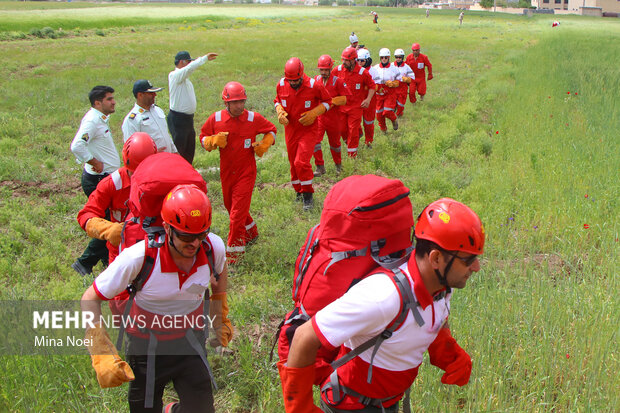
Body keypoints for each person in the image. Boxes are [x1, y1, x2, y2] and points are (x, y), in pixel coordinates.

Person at [278, 198, 485, 412]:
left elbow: (428, 318)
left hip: (387, 403)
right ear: (436, 259)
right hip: (351, 405)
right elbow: (304, 336)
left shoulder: (441, 287)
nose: (477, 267)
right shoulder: (383, 297)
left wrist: (447, 351)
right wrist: (299, 408)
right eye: (468, 260)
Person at [81, 184, 230, 413]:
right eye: (186, 236)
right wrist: (100, 349)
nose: (194, 244)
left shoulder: (212, 247)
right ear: (167, 229)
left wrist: (220, 317)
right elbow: (90, 297)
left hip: (190, 342)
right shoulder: (139, 257)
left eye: (201, 235)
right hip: (147, 347)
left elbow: (219, 276)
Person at [199, 82, 277, 264]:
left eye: (241, 101)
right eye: (235, 102)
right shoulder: (216, 119)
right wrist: (211, 141)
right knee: (230, 206)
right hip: (227, 173)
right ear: (226, 103)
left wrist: (265, 143)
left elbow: (272, 130)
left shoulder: (252, 119)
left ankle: (234, 256)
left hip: (246, 172)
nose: (239, 105)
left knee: (235, 214)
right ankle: (251, 232)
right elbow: (202, 137)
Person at [77, 132, 157, 264]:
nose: (138, 178)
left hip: (152, 249)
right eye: (134, 173)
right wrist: (108, 230)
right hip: (120, 253)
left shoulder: (161, 181)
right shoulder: (112, 184)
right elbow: (86, 215)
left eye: (143, 173)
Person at [70, 85, 121, 276]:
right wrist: (93, 160)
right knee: (109, 222)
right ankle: (85, 262)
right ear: (97, 103)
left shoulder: (100, 119)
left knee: (106, 219)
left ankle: (107, 259)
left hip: (104, 177)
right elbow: (77, 145)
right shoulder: (92, 120)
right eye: (109, 99)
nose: (114, 101)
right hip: (98, 179)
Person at [274, 57, 331, 210]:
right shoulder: (281, 84)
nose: (293, 83)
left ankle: (308, 195)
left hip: (308, 130)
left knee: (301, 162)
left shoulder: (314, 85)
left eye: (296, 80)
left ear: (302, 74)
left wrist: (315, 112)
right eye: (290, 80)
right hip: (291, 130)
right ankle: (298, 192)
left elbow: (328, 102)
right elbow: (277, 100)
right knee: (293, 164)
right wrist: (279, 110)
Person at [168, 50, 218, 164]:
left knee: (189, 149)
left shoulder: (184, 79)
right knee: (179, 150)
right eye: (188, 62)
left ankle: (187, 172)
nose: (190, 64)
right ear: (182, 62)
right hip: (178, 119)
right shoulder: (174, 75)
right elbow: (188, 69)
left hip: (187, 119)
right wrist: (203, 59)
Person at [332, 47, 376, 158]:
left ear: (353, 60)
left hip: (356, 107)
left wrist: (368, 99)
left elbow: (372, 86)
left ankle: (352, 155)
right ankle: (355, 137)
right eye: (343, 60)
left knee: (352, 130)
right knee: (342, 129)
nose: (344, 62)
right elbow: (330, 81)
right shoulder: (338, 70)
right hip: (341, 107)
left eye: (346, 60)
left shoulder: (362, 73)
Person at [312, 55, 351, 177]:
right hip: (319, 118)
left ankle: (338, 165)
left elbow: (346, 98)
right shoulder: (316, 80)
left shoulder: (337, 81)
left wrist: (333, 102)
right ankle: (320, 167)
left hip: (334, 119)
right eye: (321, 70)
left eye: (325, 70)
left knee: (335, 145)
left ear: (330, 69)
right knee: (315, 142)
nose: (323, 73)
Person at [122, 79, 178, 154]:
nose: (155, 95)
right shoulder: (132, 120)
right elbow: (131, 150)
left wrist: (175, 152)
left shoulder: (157, 110)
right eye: (150, 93)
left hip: (167, 158)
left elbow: (165, 134)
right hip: (151, 162)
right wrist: (152, 154)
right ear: (140, 95)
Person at [373, 48, 402, 133]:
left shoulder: (394, 68)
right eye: (382, 57)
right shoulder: (375, 68)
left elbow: (399, 81)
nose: (384, 59)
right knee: (379, 114)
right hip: (379, 93)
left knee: (387, 111)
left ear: (389, 57)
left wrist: (393, 84)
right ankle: (383, 130)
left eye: (386, 57)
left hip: (390, 93)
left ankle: (394, 119)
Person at [355, 49, 378, 149]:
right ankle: (359, 133)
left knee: (368, 122)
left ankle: (368, 141)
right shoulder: (355, 71)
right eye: (358, 60)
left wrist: (369, 87)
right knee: (355, 120)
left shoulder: (373, 71)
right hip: (358, 99)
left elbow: (377, 86)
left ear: (367, 60)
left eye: (362, 61)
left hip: (370, 100)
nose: (360, 63)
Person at [392, 49, 415, 118]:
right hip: (394, 87)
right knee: (393, 102)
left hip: (403, 88)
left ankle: (399, 113)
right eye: (396, 57)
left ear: (402, 57)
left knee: (401, 103)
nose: (398, 59)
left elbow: (412, 77)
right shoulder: (391, 65)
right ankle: (393, 113)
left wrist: (407, 79)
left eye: (400, 57)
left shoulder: (406, 67)